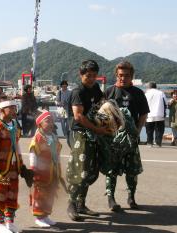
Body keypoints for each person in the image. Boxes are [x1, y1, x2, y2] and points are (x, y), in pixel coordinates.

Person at [66, 60, 112, 221]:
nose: (91, 78)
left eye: (94, 75)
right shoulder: (78, 92)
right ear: (81, 75)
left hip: (93, 133)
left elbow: (102, 108)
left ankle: (81, 204)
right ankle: (71, 204)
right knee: (80, 170)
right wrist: (97, 129)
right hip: (79, 133)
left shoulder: (97, 89)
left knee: (91, 170)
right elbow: (78, 116)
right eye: (88, 76)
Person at [105, 61, 149, 210]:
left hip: (131, 137)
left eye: (127, 76)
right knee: (111, 169)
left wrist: (137, 130)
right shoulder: (109, 92)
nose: (123, 78)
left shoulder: (138, 93)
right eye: (120, 75)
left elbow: (143, 114)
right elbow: (100, 115)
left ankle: (131, 197)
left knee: (132, 169)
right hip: (113, 139)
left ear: (132, 76)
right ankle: (111, 198)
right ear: (116, 75)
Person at [0, 100, 25, 233]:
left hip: (14, 166)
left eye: (15, 108)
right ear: (2, 111)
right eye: (11, 108)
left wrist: (21, 163)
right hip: (1, 167)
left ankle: (10, 222)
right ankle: (0, 223)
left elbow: (18, 144)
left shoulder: (15, 124)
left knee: (12, 193)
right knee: (0, 194)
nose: (15, 111)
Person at [29, 111, 62, 228]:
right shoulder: (37, 138)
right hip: (41, 172)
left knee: (50, 194)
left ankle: (46, 215)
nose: (51, 123)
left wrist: (58, 166)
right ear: (40, 124)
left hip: (52, 170)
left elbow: (57, 154)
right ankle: (39, 217)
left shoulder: (53, 136)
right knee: (40, 195)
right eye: (47, 121)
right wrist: (33, 170)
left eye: (52, 121)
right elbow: (33, 154)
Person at [145, 81, 167, 147]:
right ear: (155, 86)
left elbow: (143, 104)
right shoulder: (161, 93)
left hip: (149, 115)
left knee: (149, 130)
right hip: (159, 114)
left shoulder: (147, 93)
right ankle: (158, 143)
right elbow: (165, 103)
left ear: (149, 87)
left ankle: (149, 143)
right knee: (159, 129)